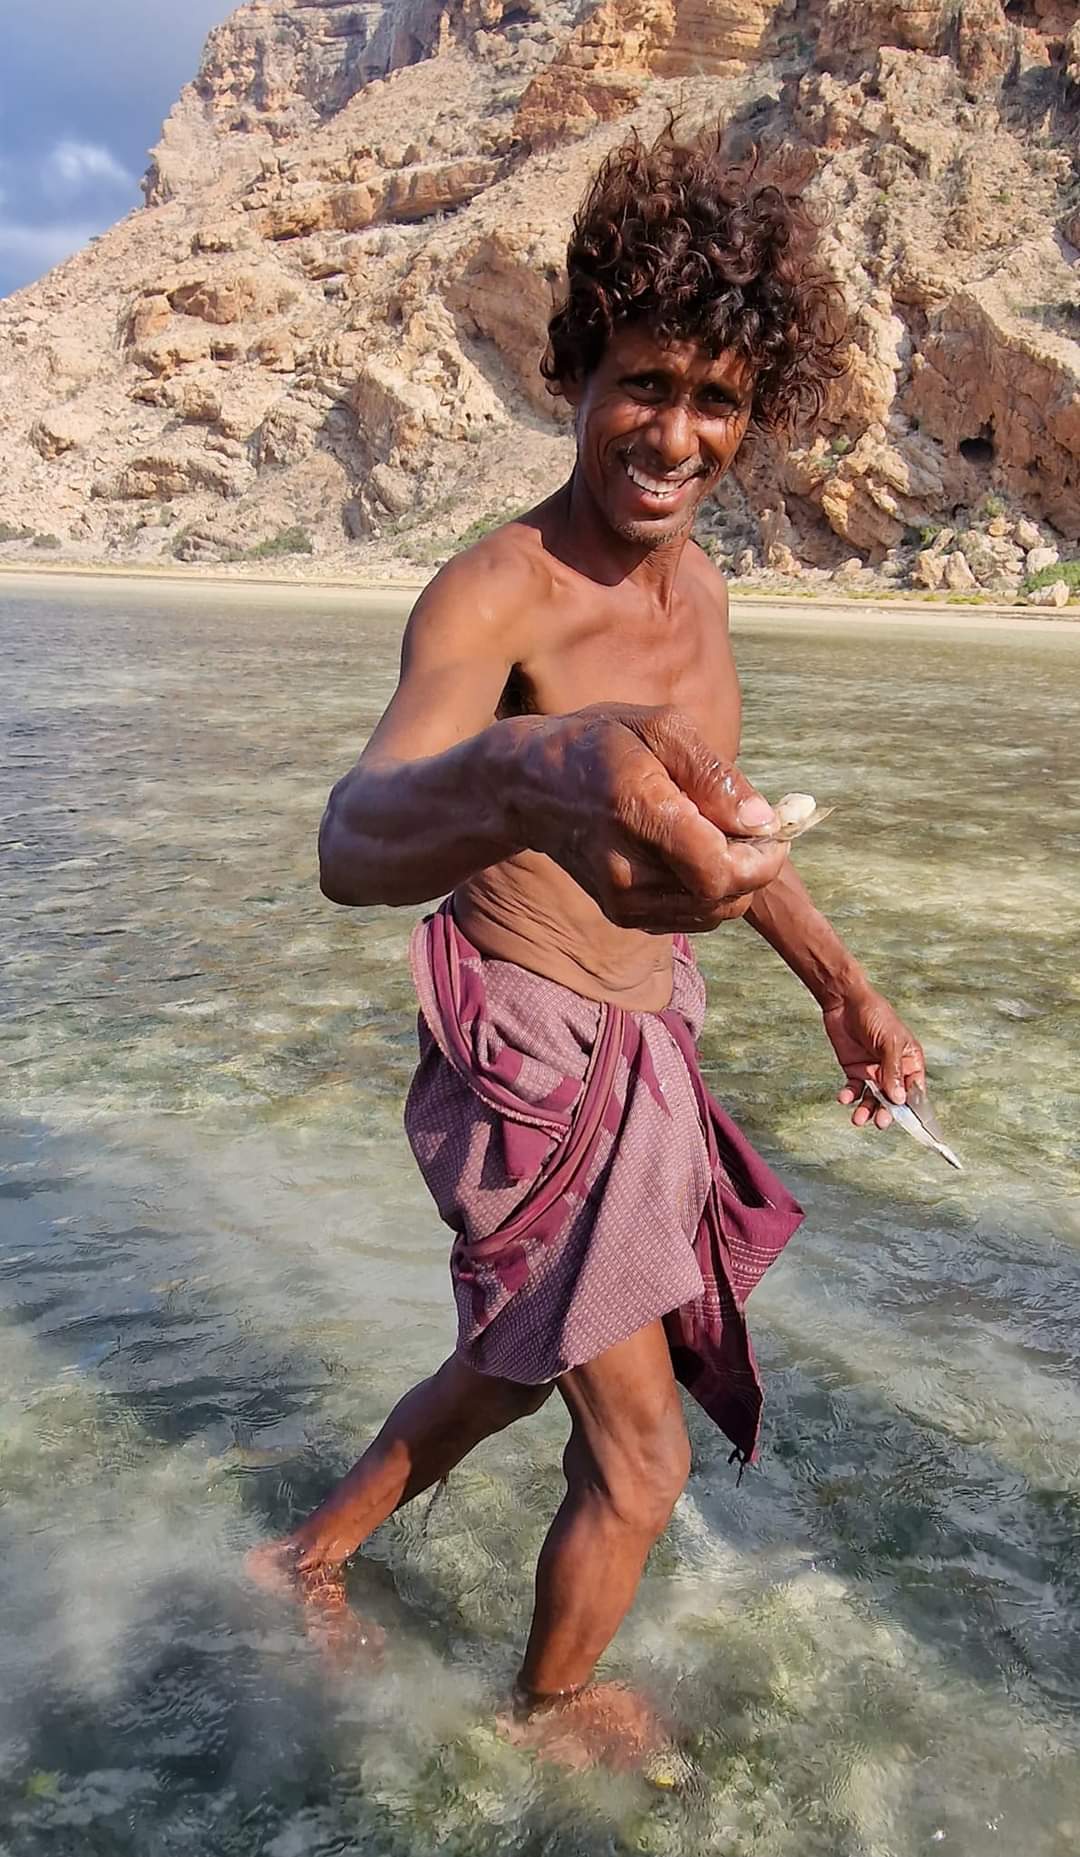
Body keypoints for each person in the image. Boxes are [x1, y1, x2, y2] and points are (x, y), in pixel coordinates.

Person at [250, 125, 926, 1756]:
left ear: (755, 416)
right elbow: (356, 839)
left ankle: (302, 1555)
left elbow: (731, 836)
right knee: (639, 1454)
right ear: (577, 368)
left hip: (650, 1048)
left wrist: (845, 986)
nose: (673, 434)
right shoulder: (497, 595)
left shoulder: (699, 606)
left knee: (505, 1361)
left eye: (715, 400)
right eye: (642, 383)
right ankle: (545, 1716)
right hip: (527, 1066)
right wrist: (527, 770)